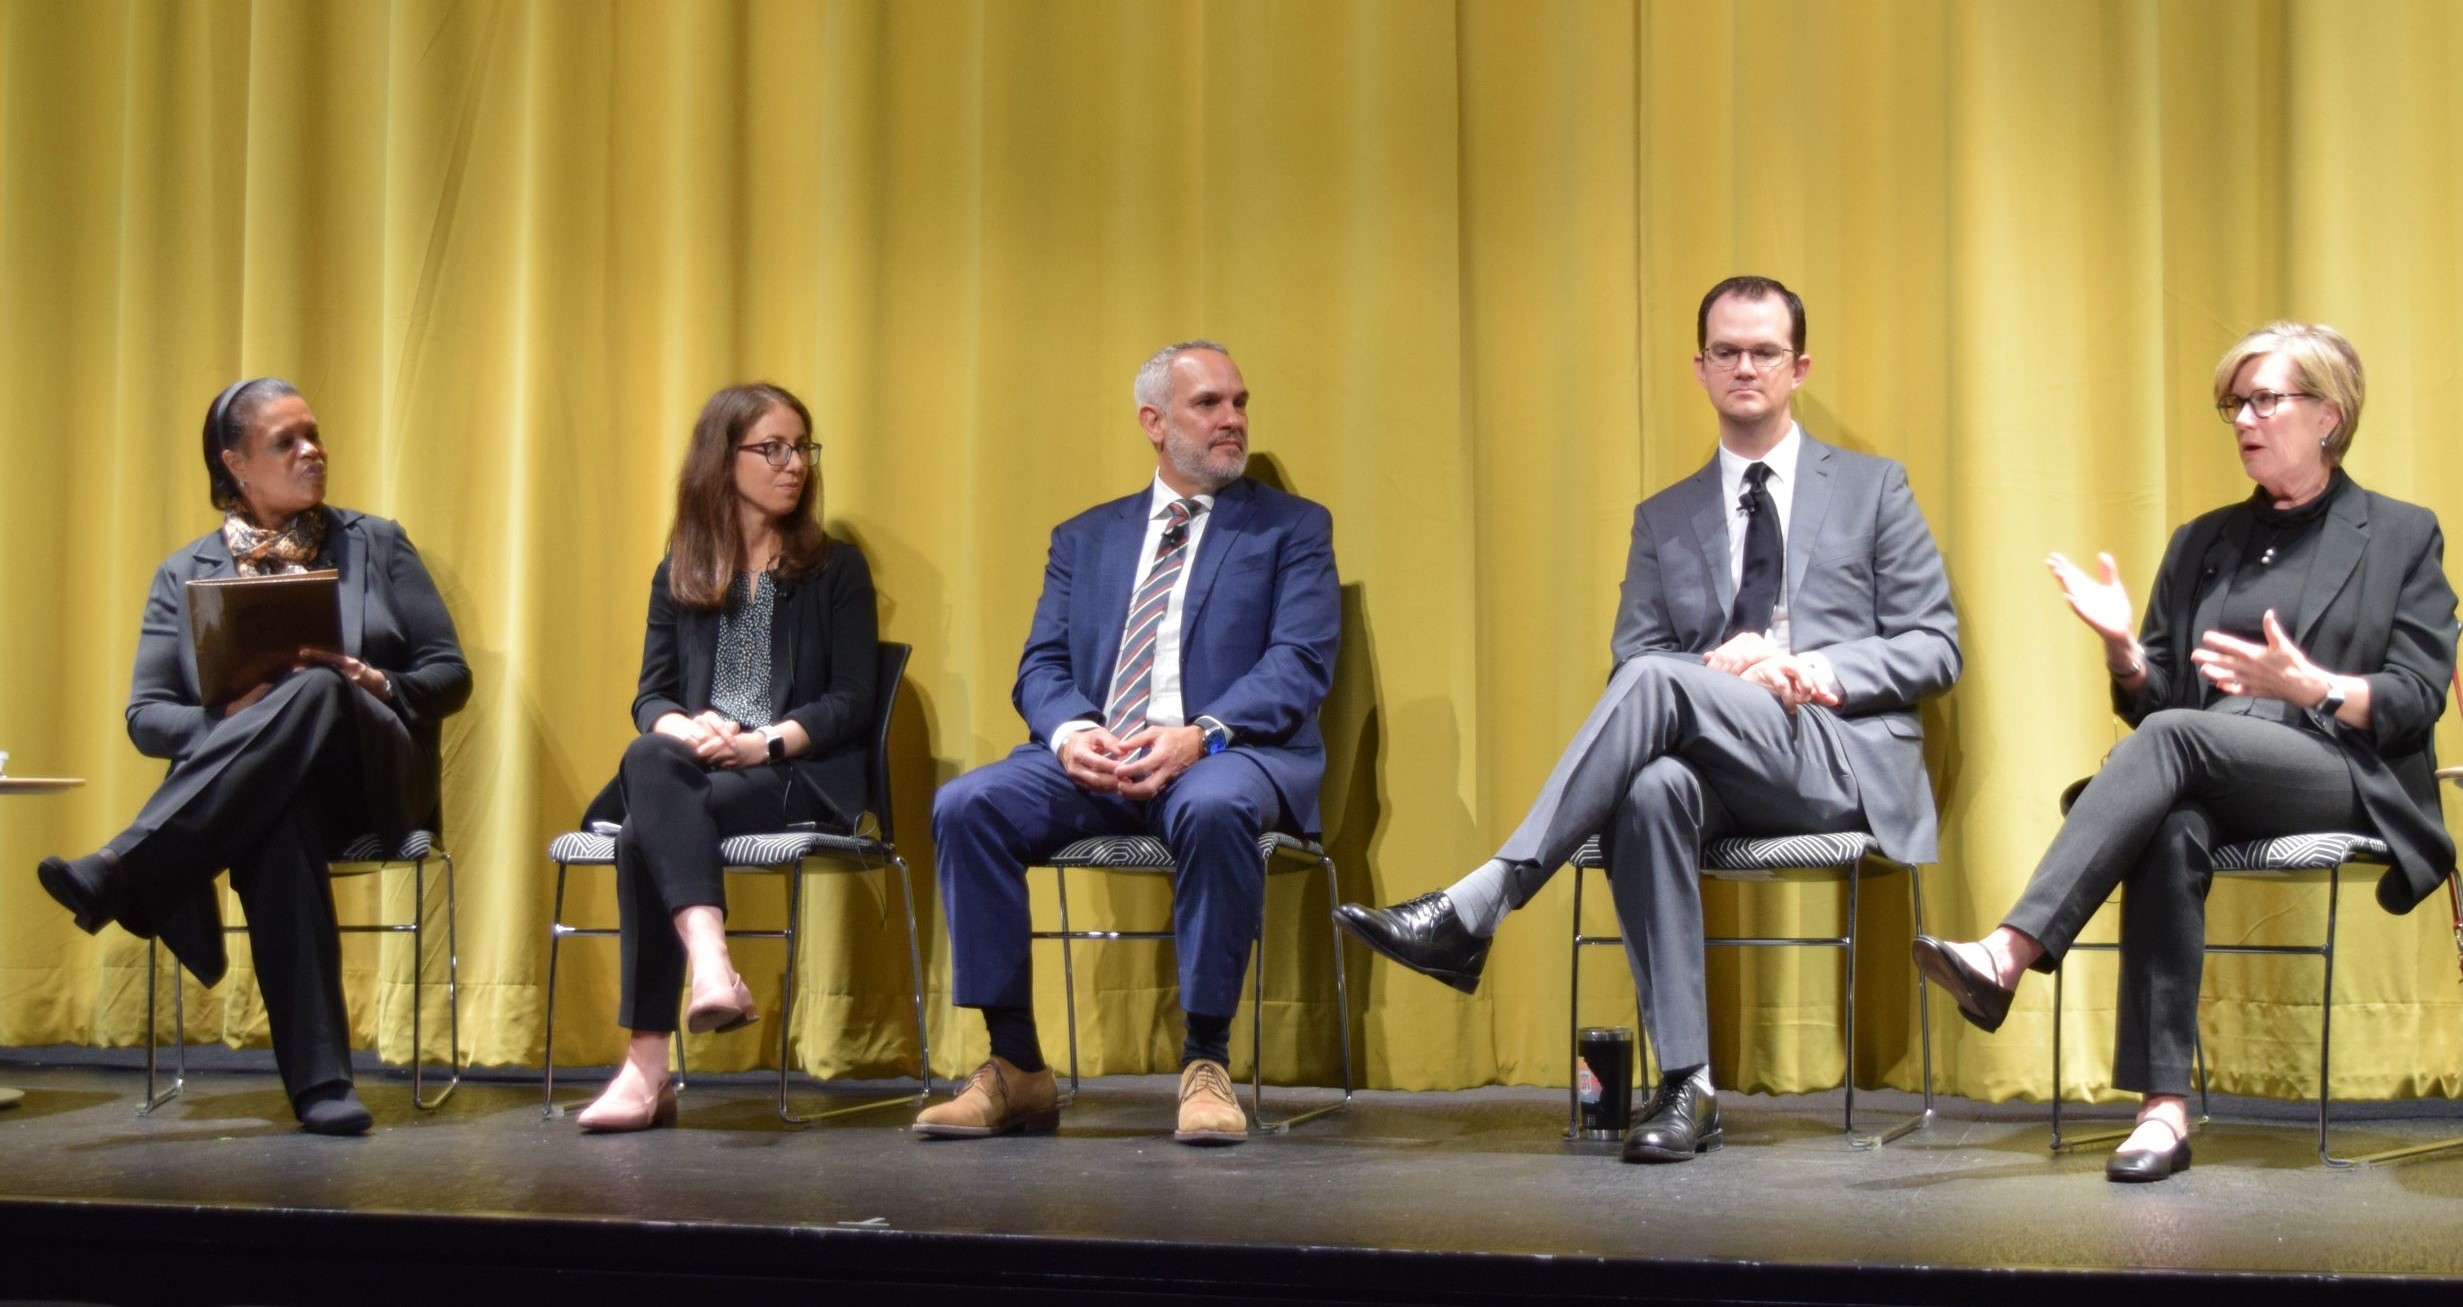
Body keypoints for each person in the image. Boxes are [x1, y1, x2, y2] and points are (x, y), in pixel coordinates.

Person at [1335, 276, 1961, 1164]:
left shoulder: (1871, 488)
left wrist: (1801, 667)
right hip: (1717, 764)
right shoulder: (1663, 517)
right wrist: (1715, 670)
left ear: (1798, 366)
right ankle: (1687, 1084)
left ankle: (1481, 901)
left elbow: (1935, 647)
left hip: (1832, 755)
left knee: (1660, 688)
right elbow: (1632, 666)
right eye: (1726, 351)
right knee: (1651, 787)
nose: (1744, 366)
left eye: (1764, 352)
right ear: (1699, 367)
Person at [1911, 322, 2456, 1182]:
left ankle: (2007, 953)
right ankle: (2161, 1110)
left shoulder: (2399, 534)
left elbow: (2416, 696)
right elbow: (2162, 705)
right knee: (2168, 825)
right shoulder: (2201, 542)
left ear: (2327, 412)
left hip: (2342, 770)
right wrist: (2125, 649)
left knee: (2175, 750)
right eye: (2232, 403)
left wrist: (2306, 684)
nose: (2243, 417)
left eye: (2264, 398)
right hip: (2213, 761)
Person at [920, 340, 1339, 1146]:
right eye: (1208, 404)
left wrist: (1199, 734)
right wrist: (1073, 732)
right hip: (1094, 761)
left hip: (1221, 754)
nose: (1232, 420)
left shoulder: (1289, 527)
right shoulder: (1087, 537)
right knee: (966, 805)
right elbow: (1040, 664)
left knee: (1217, 807)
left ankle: (1205, 1063)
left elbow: (1301, 661)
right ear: (1154, 422)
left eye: (1239, 402)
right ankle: (1015, 1065)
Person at [36, 378, 471, 1135]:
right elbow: (147, 716)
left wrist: (370, 678)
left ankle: (131, 868)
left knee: (315, 686)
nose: (313, 451)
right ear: (236, 464)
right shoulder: (185, 573)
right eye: (286, 442)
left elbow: (448, 674)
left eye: (314, 434)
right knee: (276, 808)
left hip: (370, 777)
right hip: (269, 791)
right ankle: (322, 1084)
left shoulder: (376, 541)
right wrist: (231, 717)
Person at [570, 382, 879, 1133]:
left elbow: (849, 700)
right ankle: (709, 961)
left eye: (801, 446)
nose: (793, 463)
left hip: (790, 772)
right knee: (650, 752)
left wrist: (758, 741)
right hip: (696, 770)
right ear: (722, 458)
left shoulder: (833, 569)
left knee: (647, 828)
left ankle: (647, 1065)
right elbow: (651, 696)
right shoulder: (681, 567)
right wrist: (689, 729)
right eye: (771, 447)